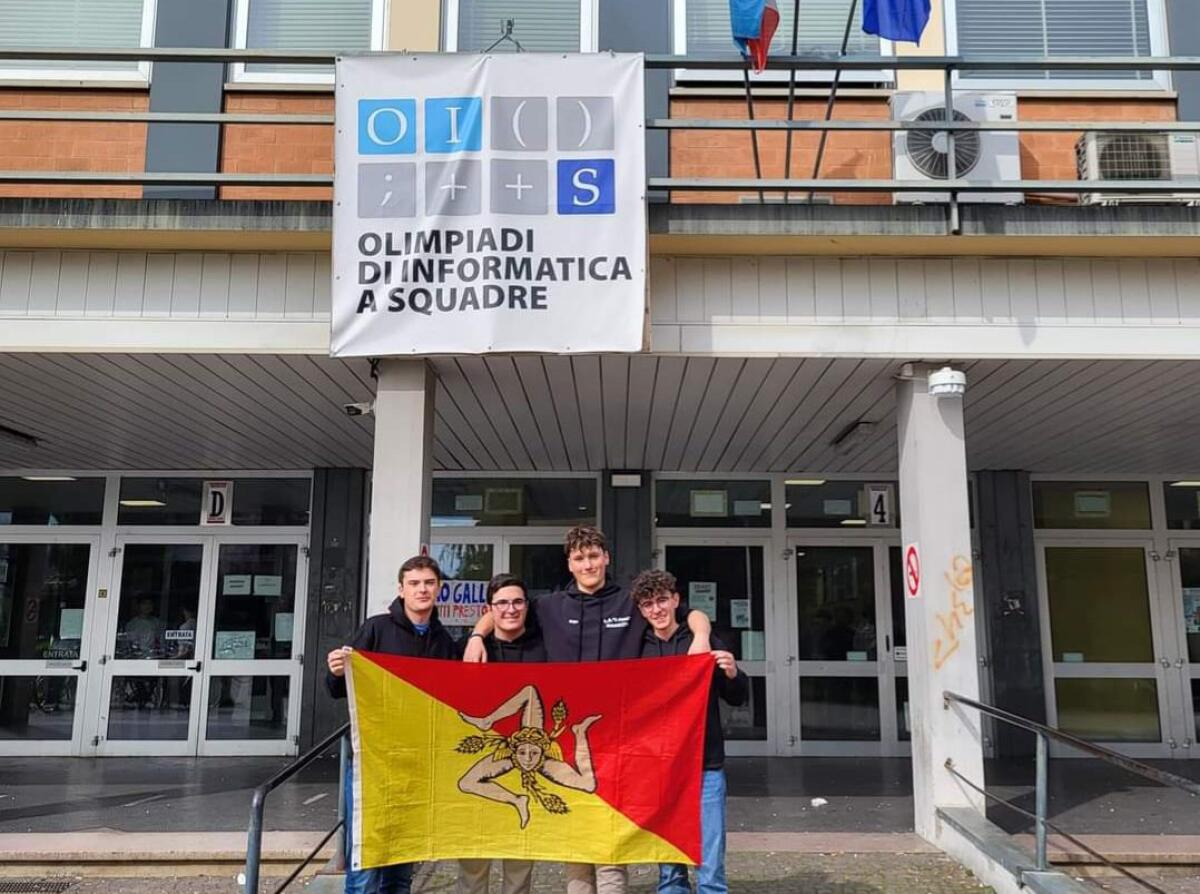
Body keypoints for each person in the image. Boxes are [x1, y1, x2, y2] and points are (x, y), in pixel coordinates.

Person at [463, 526, 712, 894]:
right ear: (569, 563)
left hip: (619, 735)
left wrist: (703, 637)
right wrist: (475, 636)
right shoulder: (549, 605)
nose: (588, 564)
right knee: (574, 831)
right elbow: (503, 610)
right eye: (579, 558)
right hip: (564, 738)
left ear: (606, 558)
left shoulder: (630, 602)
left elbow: (690, 614)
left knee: (609, 827)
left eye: (594, 556)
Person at [327, 555, 459, 894]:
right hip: (373, 763)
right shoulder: (376, 628)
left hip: (417, 764)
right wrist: (336, 671)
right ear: (401, 590)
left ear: (439, 589)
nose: (422, 589)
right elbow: (339, 689)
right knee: (367, 861)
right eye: (414, 583)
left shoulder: (444, 643)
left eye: (429, 583)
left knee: (403, 858)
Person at [632, 569, 749, 894]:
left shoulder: (703, 639)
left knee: (710, 851)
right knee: (669, 854)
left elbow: (738, 696)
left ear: (675, 600)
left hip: (704, 761)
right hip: (660, 763)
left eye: (661, 601)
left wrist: (732, 673)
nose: (656, 609)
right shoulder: (637, 646)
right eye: (647, 604)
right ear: (641, 610)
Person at [457, 574, 545, 894]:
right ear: (489, 608)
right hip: (490, 753)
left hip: (529, 755)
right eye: (502, 603)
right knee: (473, 860)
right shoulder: (467, 650)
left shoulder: (544, 647)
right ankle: (515, 800)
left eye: (517, 601)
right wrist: (476, 636)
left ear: (527, 606)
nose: (510, 609)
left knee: (519, 861)